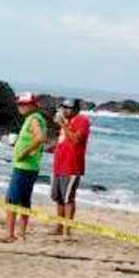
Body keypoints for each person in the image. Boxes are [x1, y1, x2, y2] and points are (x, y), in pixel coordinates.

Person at [2, 92, 47, 242]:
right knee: (24, 200)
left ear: (33, 105)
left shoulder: (34, 119)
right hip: (31, 166)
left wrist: (23, 152)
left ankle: (10, 235)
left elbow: (40, 138)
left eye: (24, 104)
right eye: (20, 104)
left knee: (11, 200)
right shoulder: (36, 118)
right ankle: (21, 233)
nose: (20, 106)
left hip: (24, 166)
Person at [49, 98, 91, 237]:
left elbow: (76, 140)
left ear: (76, 109)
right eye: (64, 107)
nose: (65, 110)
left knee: (68, 198)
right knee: (58, 197)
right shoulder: (67, 122)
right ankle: (59, 226)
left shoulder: (82, 120)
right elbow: (63, 141)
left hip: (72, 165)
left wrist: (62, 124)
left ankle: (67, 230)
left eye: (69, 107)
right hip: (59, 164)